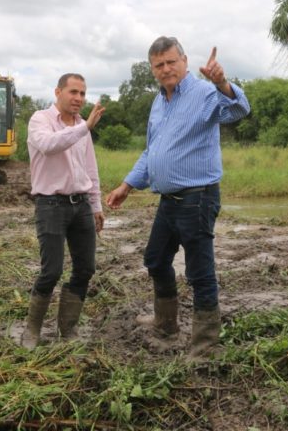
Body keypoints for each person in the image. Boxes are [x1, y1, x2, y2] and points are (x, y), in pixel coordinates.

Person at [106, 36, 250, 358]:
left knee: (200, 273)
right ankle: (166, 325)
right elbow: (151, 151)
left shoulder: (204, 92)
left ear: (184, 61)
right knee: (155, 260)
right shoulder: (159, 103)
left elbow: (240, 108)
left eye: (172, 61)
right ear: (152, 70)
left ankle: (205, 345)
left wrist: (222, 82)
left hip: (198, 199)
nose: (166, 68)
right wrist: (127, 185)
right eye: (159, 65)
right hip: (168, 202)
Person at [21, 73, 106, 349]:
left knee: (85, 268)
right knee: (52, 270)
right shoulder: (40, 120)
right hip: (51, 205)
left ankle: (67, 328)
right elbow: (48, 146)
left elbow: (90, 169)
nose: (79, 98)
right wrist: (85, 128)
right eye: (73, 92)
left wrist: (96, 205)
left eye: (82, 93)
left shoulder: (82, 126)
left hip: (80, 205)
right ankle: (31, 331)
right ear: (58, 92)